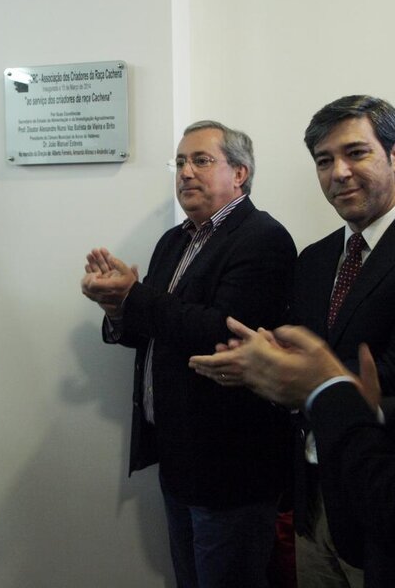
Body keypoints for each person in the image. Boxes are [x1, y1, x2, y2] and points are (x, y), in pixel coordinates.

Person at [189, 66, 395, 588]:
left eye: (356, 153)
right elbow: (298, 348)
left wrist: (294, 375)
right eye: (324, 161)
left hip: (387, 504)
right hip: (312, 496)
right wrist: (264, 359)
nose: (338, 173)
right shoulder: (316, 258)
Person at [81, 120, 296, 588]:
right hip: (178, 455)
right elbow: (154, 329)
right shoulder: (174, 240)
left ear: (239, 173)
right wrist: (116, 307)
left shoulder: (262, 238)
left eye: (201, 160)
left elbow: (223, 333)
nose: (185, 172)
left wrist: (134, 295)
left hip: (232, 465)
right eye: (180, 162)